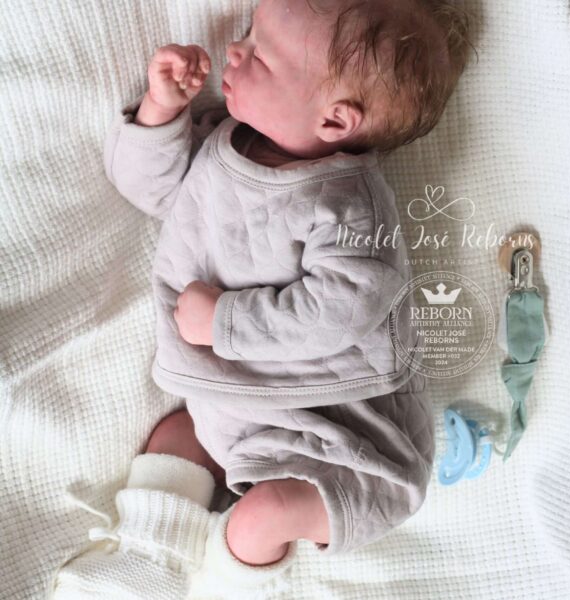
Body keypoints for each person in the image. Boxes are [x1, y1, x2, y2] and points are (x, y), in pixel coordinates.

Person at [53, 0, 473, 598]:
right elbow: (152, 190)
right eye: (249, 33)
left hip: (338, 429)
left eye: (263, 56)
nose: (235, 49)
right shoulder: (224, 147)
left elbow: (341, 308)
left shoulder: (349, 203)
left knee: (261, 517)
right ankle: (145, 563)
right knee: (173, 440)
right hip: (232, 408)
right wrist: (161, 112)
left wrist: (225, 322)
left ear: (334, 121)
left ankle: (227, 585)